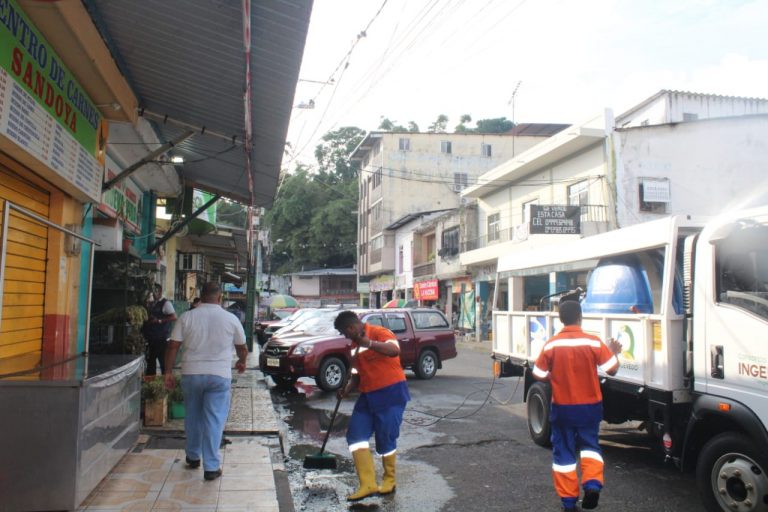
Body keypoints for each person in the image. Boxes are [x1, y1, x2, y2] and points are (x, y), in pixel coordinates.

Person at [532, 301, 621, 511]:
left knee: (564, 455)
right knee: (590, 448)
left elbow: (538, 373)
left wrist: (555, 375)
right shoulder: (593, 342)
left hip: (563, 409)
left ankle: (569, 502)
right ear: (580, 317)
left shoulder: (551, 345)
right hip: (590, 408)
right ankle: (592, 485)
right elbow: (612, 369)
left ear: (561, 319)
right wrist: (613, 351)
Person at [164, 282, 248, 481]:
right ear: (220, 298)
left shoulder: (187, 316)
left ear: (201, 296)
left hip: (192, 373)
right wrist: (242, 362)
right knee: (214, 419)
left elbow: (173, 346)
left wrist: (167, 372)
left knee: (192, 415)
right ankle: (211, 467)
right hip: (219, 375)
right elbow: (242, 347)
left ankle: (193, 456)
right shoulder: (230, 318)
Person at [334, 311, 410, 502]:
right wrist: (347, 388)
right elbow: (356, 373)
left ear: (351, 327)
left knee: (386, 438)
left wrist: (368, 343)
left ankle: (389, 480)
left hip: (391, 392)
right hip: (367, 396)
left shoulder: (379, 332)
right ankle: (367, 484)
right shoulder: (353, 347)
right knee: (356, 436)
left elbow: (394, 350)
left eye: (345, 332)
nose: (345, 336)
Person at [143, 284, 177, 375]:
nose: (154, 293)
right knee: (150, 362)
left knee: (163, 363)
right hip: (151, 338)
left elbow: (174, 317)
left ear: (160, 291)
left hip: (161, 338)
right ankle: (151, 383)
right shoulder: (152, 303)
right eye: (152, 291)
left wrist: (159, 321)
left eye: (155, 291)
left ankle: (165, 383)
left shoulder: (166, 303)